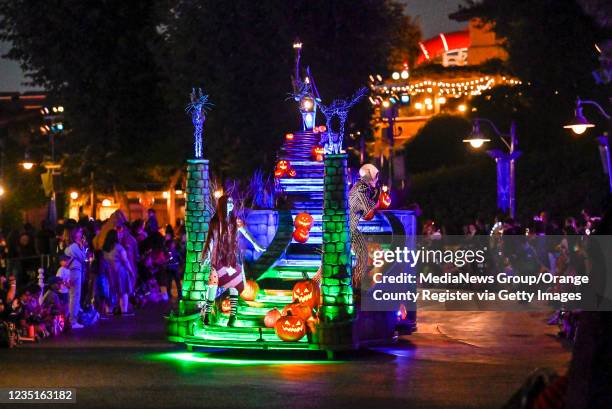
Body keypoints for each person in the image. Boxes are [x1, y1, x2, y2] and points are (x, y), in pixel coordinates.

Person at [201, 195, 265, 327]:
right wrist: (206, 256)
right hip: (218, 258)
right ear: (222, 204)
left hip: (232, 258)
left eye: (231, 202)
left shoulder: (235, 220)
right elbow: (211, 240)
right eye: (228, 202)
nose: (230, 204)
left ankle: (233, 316)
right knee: (212, 284)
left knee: (234, 285)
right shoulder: (215, 222)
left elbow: (245, 232)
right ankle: (206, 314)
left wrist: (255, 244)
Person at [348, 164, 381, 288]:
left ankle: (356, 285)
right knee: (362, 256)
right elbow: (368, 212)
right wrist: (377, 195)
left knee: (362, 255)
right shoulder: (362, 187)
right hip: (348, 228)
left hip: (349, 226)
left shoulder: (360, 186)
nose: (377, 180)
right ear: (371, 175)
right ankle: (355, 286)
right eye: (376, 176)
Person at [103, 229, 135, 316]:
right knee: (123, 292)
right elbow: (125, 261)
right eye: (118, 234)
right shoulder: (119, 247)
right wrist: (131, 271)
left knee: (111, 292)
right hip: (120, 272)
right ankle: (124, 311)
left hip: (109, 272)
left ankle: (109, 311)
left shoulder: (105, 248)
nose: (120, 235)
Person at [64, 225, 86, 329]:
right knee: (75, 296)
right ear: (74, 234)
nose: (81, 234)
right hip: (75, 271)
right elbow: (83, 258)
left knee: (72, 296)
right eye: (79, 232)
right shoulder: (74, 246)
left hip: (74, 271)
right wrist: (81, 246)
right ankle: (73, 321)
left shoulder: (71, 246)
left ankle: (71, 319)